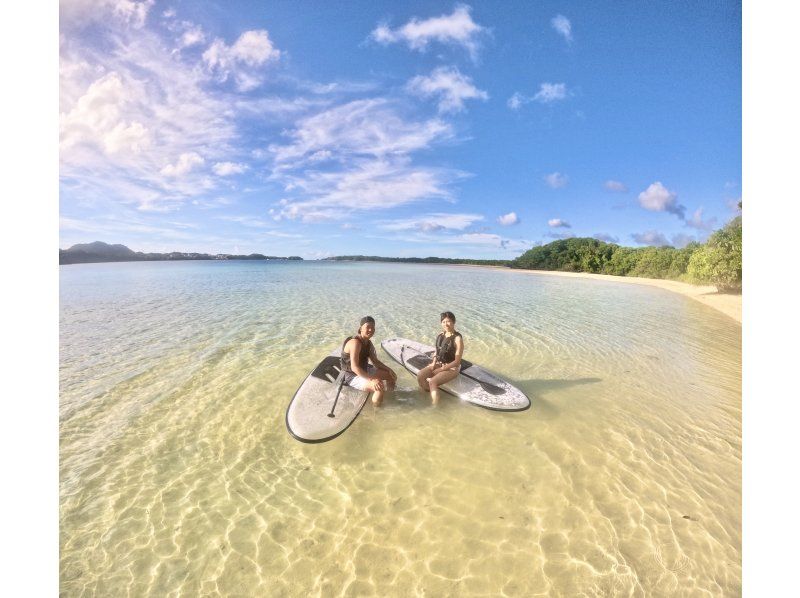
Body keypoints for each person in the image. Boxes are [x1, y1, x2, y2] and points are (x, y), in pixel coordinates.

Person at [341, 316, 397, 406]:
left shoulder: (368, 343)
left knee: (391, 376)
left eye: (373, 328)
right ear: (360, 329)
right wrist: (372, 380)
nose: (371, 330)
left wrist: (389, 369)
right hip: (352, 375)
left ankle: (391, 398)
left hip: (365, 370)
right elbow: (354, 367)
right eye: (368, 327)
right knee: (379, 387)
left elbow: (375, 362)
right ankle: (377, 410)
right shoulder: (355, 343)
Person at [417, 311, 463, 405]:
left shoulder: (457, 339)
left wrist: (441, 370)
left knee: (432, 381)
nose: (446, 324)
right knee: (420, 375)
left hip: (452, 368)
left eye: (448, 321)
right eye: (443, 322)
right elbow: (437, 351)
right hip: (439, 363)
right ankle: (430, 393)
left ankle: (435, 406)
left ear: (453, 322)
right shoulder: (441, 335)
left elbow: (457, 362)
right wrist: (434, 364)